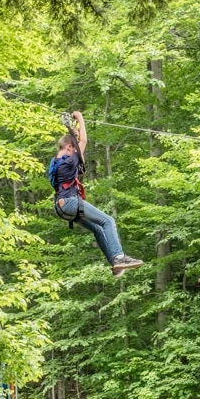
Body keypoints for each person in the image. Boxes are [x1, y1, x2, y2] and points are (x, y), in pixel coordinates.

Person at [49, 111, 143, 277]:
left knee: (98, 230)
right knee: (108, 221)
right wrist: (80, 119)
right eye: (74, 146)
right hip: (70, 203)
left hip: (61, 206)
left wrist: (74, 129)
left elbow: (75, 142)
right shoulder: (70, 159)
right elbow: (83, 141)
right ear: (70, 147)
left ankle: (115, 265)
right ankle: (120, 257)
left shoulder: (57, 160)